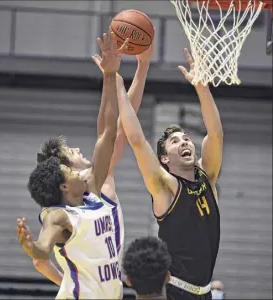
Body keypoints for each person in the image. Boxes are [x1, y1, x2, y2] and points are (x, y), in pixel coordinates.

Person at [17, 32, 154, 287]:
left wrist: (130, 70)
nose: (79, 150)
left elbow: (115, 128)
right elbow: (39, 256)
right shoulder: (74, 201)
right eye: (71, 153)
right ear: (64, 177)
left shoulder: (94, 184)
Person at [116, 47, 223, 300]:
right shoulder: (165, 186)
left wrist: (201, 86)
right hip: (175, 291)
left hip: (205, 292)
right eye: (175, 142)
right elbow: (136, 139)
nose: (185, 142)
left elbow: (215, 133)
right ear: (164, 158)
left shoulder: (208, 177)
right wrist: (118, 87)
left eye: (186, 138)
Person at [19, 156, 123, 299]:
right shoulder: (58, 216)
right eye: (70, 170)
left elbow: (106, 143)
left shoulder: (90, 199)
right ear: (64, 185)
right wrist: (30, 246)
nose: (79, 152)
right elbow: (41, 256)